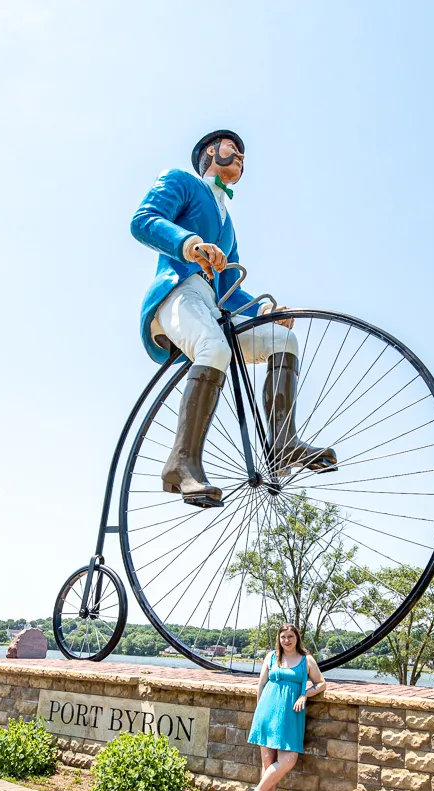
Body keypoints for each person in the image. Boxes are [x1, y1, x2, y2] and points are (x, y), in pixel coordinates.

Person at [130, 130, 337, 509]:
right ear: (211, 152)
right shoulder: (181, 181)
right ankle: (180, 463)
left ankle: (282, 443)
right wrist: (188, 244)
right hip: (178, 293)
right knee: (213, 345)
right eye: (232, 147)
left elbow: (230, 285)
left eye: (242, 151)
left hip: (212, 305)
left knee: (282, 341)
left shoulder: (228, 224)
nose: (240, 154)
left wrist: (262, 311)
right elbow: (143, 221)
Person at [241, 623, 326, 791]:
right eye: (283, 637)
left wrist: (305, 695)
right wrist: (258, 710)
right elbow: (261, 684)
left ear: (297, 638)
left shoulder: (306, 660)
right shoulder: (271, 657)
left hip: (291, 714)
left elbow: (321, 683)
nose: (286, 640)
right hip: (267, 711)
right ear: (279, 639)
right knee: (268, 762)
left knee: (288, 760)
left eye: (290, 636)